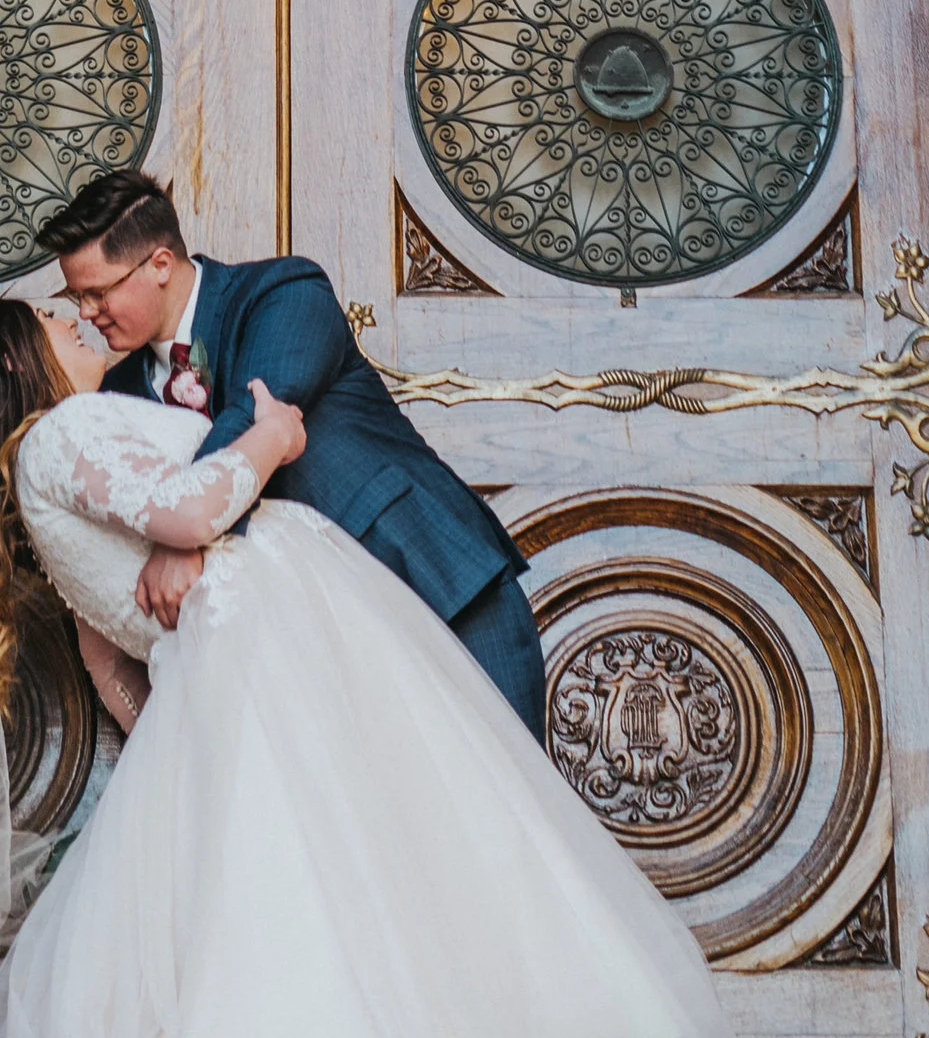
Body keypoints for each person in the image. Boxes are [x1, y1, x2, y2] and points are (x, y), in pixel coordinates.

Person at [0, 283, 726, 1038]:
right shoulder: (65, 432)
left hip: (234, 679)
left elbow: (109, 666)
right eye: (54, 324)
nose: (77, 320)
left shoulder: (40, 493)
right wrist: (273, 436)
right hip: (275, 637)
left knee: (307, 886)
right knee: (396, 854)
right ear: (31, 364)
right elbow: (185, 512)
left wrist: (186, 741)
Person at [42, 171, 550, 735]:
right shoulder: (116, 393)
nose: (86, 312)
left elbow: (257, 412)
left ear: (159, 264)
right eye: (76, 297)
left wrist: (185, 534)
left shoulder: (282, 292)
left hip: (436, 585)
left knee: (512, 806)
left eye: (98, 292)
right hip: (318, 661)